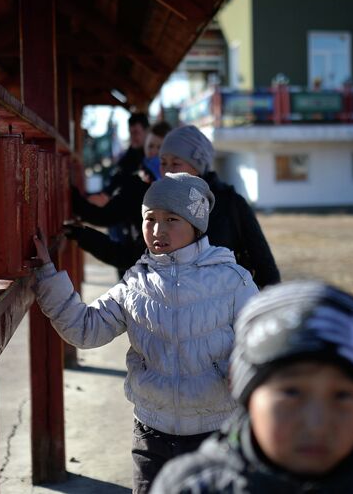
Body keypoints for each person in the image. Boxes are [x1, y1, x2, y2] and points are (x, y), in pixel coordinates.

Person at [32, 172, 259, 494]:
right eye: (150, 219)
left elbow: (262, 343)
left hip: (216, 432)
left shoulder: (232, 279)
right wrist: (47, 276)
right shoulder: (135, 283)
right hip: (152, 433)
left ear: (196, 225)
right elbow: (85, 330)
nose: (158, 229)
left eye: (171, 219)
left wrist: (246, 370)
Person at [151, 281, 353, 494]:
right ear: (244, 393)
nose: (316, 424)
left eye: (342, 395)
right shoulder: (188, 487)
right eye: (292, 392)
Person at [159, 125, 280, 289]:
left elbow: (266, 269)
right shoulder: (158, 205)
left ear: (198, 166)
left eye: (175, 163)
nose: (167, 171)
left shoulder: (232, 204)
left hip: (227, 307)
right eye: (163, 163)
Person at [67, 121, 172, 275]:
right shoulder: (135, 183)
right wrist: (73, 200)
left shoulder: (181, 187)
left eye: (160, 147)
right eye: (151, 147)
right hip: (139, 263)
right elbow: (106, 215)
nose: (155, 152)